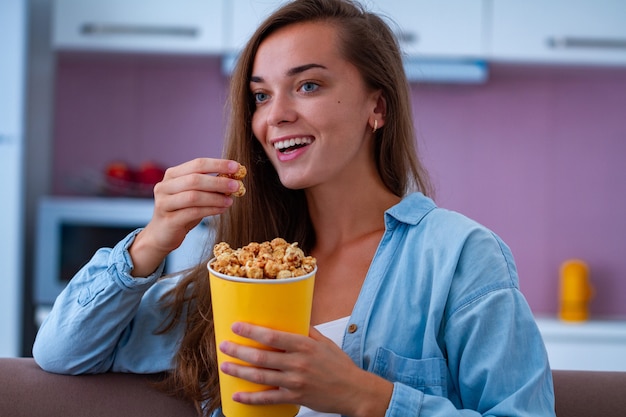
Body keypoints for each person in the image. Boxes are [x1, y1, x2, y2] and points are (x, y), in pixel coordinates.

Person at [33, 0, 556, 416]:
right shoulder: (235, 261)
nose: (275, 116)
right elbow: (62, 352)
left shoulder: (460, 257)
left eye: (308, 85)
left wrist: (365, 397)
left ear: (378, 106)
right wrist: (152, 240)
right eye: (261, 96)